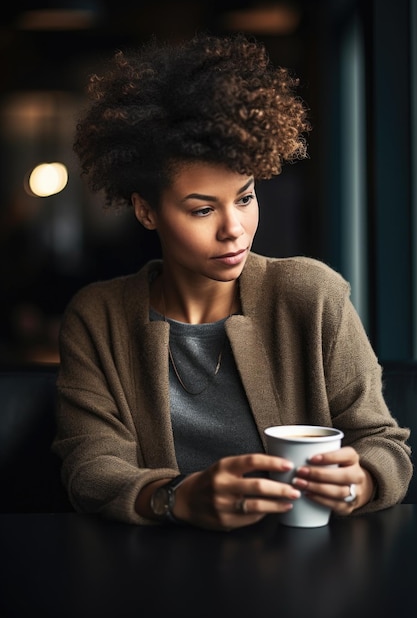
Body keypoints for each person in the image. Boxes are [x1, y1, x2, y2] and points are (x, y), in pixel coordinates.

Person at [52, 32, 412, 531]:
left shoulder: (313, 295)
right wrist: (177, 496)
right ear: (146, 211)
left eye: (245, 198)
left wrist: (362, 480)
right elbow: (90, 469)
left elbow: (384, 443)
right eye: (202, 209)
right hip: (154, 580)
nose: (233, 229)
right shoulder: (99, 318)